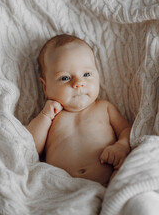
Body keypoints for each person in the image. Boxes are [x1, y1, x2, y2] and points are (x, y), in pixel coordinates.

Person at [26, 34, 131, 186]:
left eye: (87, 74)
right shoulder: (51, 116)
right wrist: (45, 116)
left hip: (109, 183)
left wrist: (121, 146)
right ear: (45, 87)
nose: (79, 83)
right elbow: (30, 147)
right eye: (65, 78)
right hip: (61, 187)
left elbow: (126, 130)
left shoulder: (104, 107)